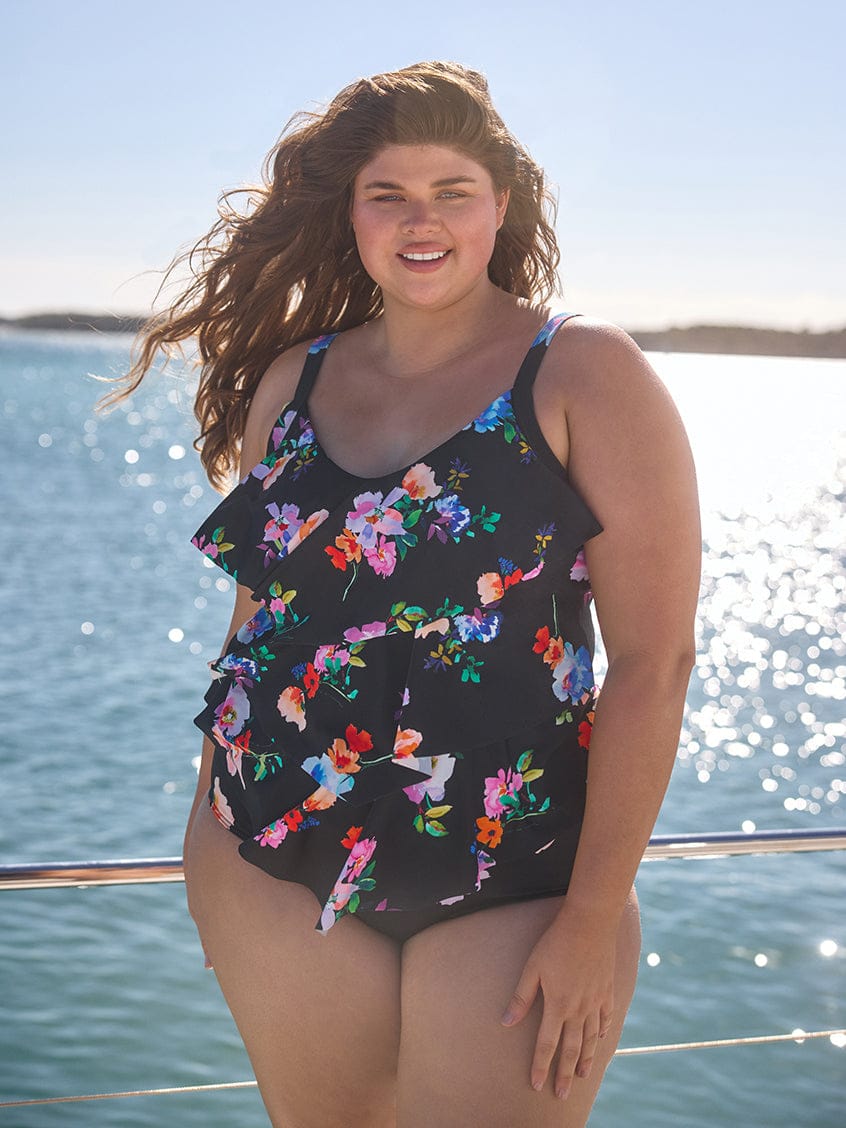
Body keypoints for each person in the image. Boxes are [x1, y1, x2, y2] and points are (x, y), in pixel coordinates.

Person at [108, 61, 700, 1127]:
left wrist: (592, 917)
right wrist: (209, 842)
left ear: (499, 209)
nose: (421, 222)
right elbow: (254, 635)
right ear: (353, 212)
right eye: (389, 194)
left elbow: (656, 665)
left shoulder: (582, 374)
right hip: (275, 872)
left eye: (452, 193)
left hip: (517, 884)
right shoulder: (293, 382)